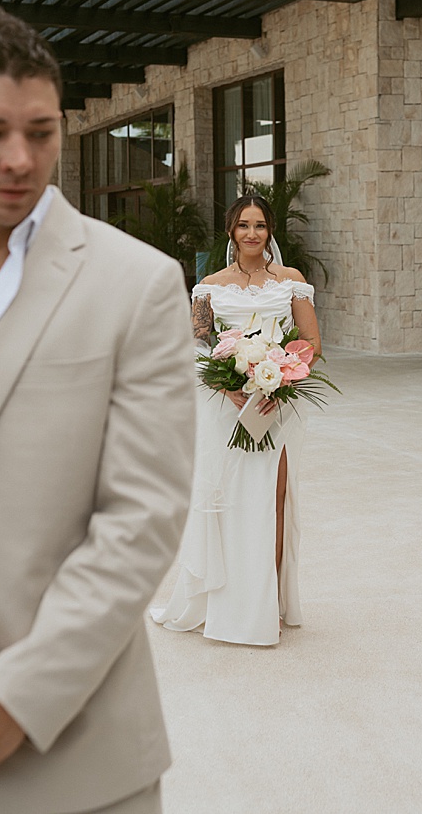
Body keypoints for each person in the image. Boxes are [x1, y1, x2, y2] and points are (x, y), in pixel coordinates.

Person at [0, 9, 195, 813]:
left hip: (82, 759)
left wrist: (14, 698)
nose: (20, 159)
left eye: (42, 133)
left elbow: (142, 515)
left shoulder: (139, 284)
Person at [151, 194, 321, 646]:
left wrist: (280, 377)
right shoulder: (208, 287)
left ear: (270, 231)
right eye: (243, 225)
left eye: (260, 225)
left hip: (277, 406)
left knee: (274, 499)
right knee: (229, 499)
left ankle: (272, 605)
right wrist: (230, 385)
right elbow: (196, 344)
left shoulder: (291, 282)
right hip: (224, 407)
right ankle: (225, 603)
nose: (252, 233)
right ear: (230, 230)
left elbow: (311, 343)